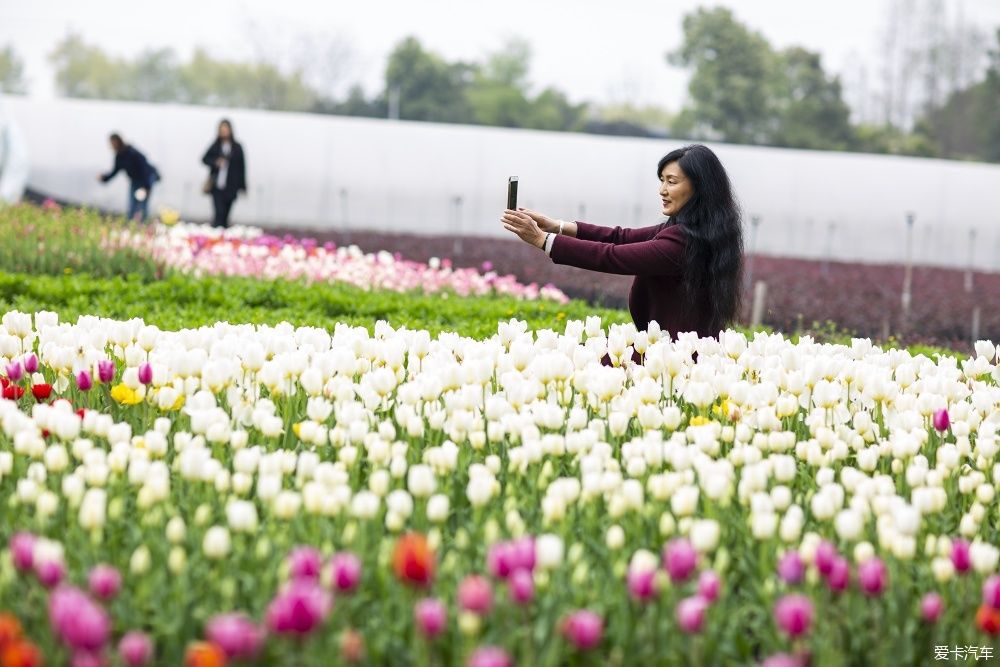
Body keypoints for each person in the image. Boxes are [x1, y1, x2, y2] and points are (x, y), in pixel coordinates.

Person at [501, 144, 744, 347]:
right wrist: (557, 226)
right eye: (662, 181)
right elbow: (621, 237)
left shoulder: (684, 243)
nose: (662, 190)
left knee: (579, 357)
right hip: (667, 346)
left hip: (675, 357)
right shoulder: (693, 232)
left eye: (671, 181)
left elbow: (612, 256)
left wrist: (542, 240)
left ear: (699, 188)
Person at [98, 133, 160, 222]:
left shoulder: (132, 153)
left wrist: (146, 187)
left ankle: (144, 226)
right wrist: (104, 178)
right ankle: (130, 225)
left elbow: (145, 169)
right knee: (132, 205)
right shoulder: (119, 157)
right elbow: (114, 172)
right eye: (111, 143)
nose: (112, 145)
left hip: (146, 179)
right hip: (135, 181)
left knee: (143, 205)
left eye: (114, 142)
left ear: (119, 141)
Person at [201, 119, 247, 228]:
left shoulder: (237, 147)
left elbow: (242, 167)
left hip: (231, 187)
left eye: (226, 129)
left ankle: (223, 238)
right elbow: (204, 159)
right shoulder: (216, 145)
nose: (224, 132)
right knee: (218, 214)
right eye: (222, 130)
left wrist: (242, 186)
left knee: (226, 215)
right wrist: (215, 162)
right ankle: (216, 236)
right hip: (217, 186)